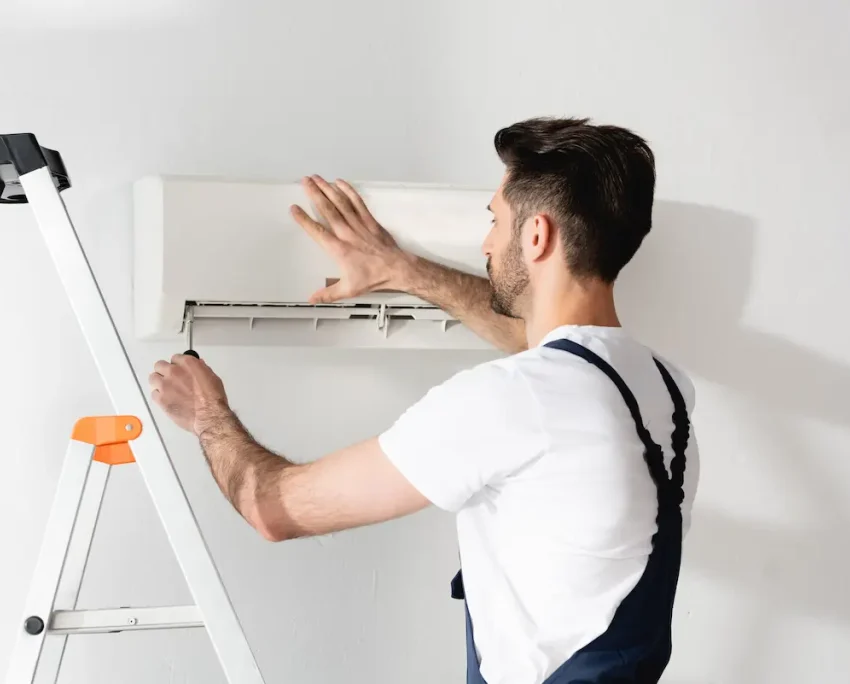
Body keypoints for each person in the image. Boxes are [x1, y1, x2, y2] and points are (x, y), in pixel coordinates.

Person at [147, 117, 699, 684]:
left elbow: (274, 509)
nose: (486, 242)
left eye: (495, 221)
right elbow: (542, 346)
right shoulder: (661, 387)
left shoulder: (512, 401)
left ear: (536, 236)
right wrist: (402, 270)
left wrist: (207, 414)